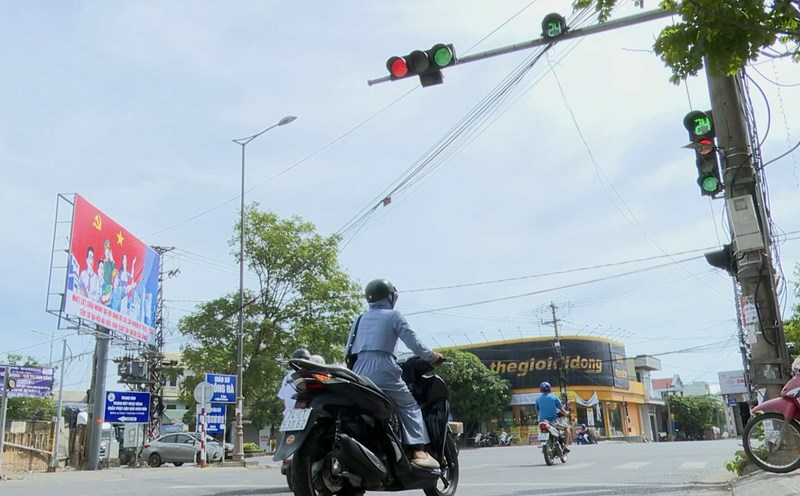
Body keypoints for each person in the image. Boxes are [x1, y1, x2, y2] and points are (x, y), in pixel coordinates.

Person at [344, 278, 443, 470]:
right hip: (384, 367)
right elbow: (414, 343)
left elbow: (348, 349)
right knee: (409, 405)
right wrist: (432, 357)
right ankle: (417, 449)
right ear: (390, 297)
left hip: (359, 371)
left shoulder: (359, 319)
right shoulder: (394, 315)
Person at [535, 381, 571, 451]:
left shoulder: (537, 399)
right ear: (549, 389)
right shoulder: (554, 397)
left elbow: (537, 412)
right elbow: (562, 410)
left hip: (542, 421)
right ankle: (566, 445)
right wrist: (566, 413)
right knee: (567, 428)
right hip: (554, 421)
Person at [277, 348, 311, 414]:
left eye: (307, 360)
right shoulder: (307, 374)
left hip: (289, 414)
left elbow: (282, 398)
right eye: (303, 360)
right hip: (302, 413)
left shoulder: (287, 377)